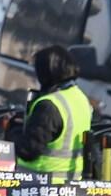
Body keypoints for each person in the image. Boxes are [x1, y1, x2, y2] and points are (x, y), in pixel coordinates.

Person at [13, 44, 94, 180]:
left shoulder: (49, 105)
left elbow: (28, 150)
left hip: (41, 185)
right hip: (71, 184)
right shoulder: (79, 97)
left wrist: (13, 129)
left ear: (46, 71)